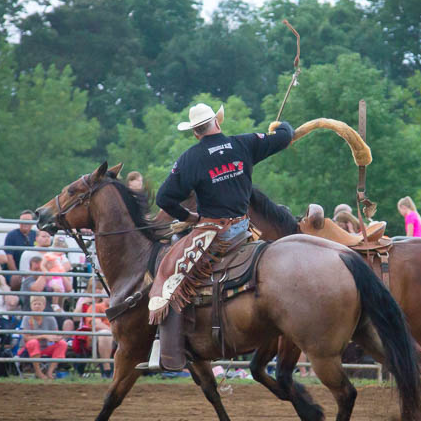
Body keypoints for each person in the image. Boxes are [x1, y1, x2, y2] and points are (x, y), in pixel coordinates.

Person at [140, 102, 294, 372]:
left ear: (195, 132)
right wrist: (280, 127)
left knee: (168, 271)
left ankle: (169, 353)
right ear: (217, 123)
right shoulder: (243, 144)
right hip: (244, 228)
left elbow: (164, 198)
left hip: (212, 233)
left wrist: (189, 218)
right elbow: (285, 137)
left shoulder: (190, 159)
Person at [18, 295, 67, 380]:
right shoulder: (27, 318)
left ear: (44, 306)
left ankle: (50, 372)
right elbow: (26, 338)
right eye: (35, 304)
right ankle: (38, 372)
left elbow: (56, 334)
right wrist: (44, 336)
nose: (37, 306)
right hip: (28, 349)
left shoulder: (50, 318)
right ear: (31, 306)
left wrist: (56, 338)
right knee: (33, 342)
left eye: (39, 304)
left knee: (62, 343)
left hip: (46, 347)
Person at [72, 280, 113, 378]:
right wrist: (114, 332)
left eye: (112, 295)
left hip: (119, 336)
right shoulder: (95, 307)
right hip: (99, 337)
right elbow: (96, 324)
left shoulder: (119, 307)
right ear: (103, 296)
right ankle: (107, 371)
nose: (109, 297)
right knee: (104, 334)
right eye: (107, 295)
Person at [3, 210, 37, 289]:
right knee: (16, 280)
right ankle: (16, 296)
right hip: (16, 270)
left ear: (32, 223)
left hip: (33, 270)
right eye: (22, 220)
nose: (25, 223)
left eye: (28, 221)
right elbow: (9, 257)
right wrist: (16, 273)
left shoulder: (36, 235)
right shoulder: (12, 235)